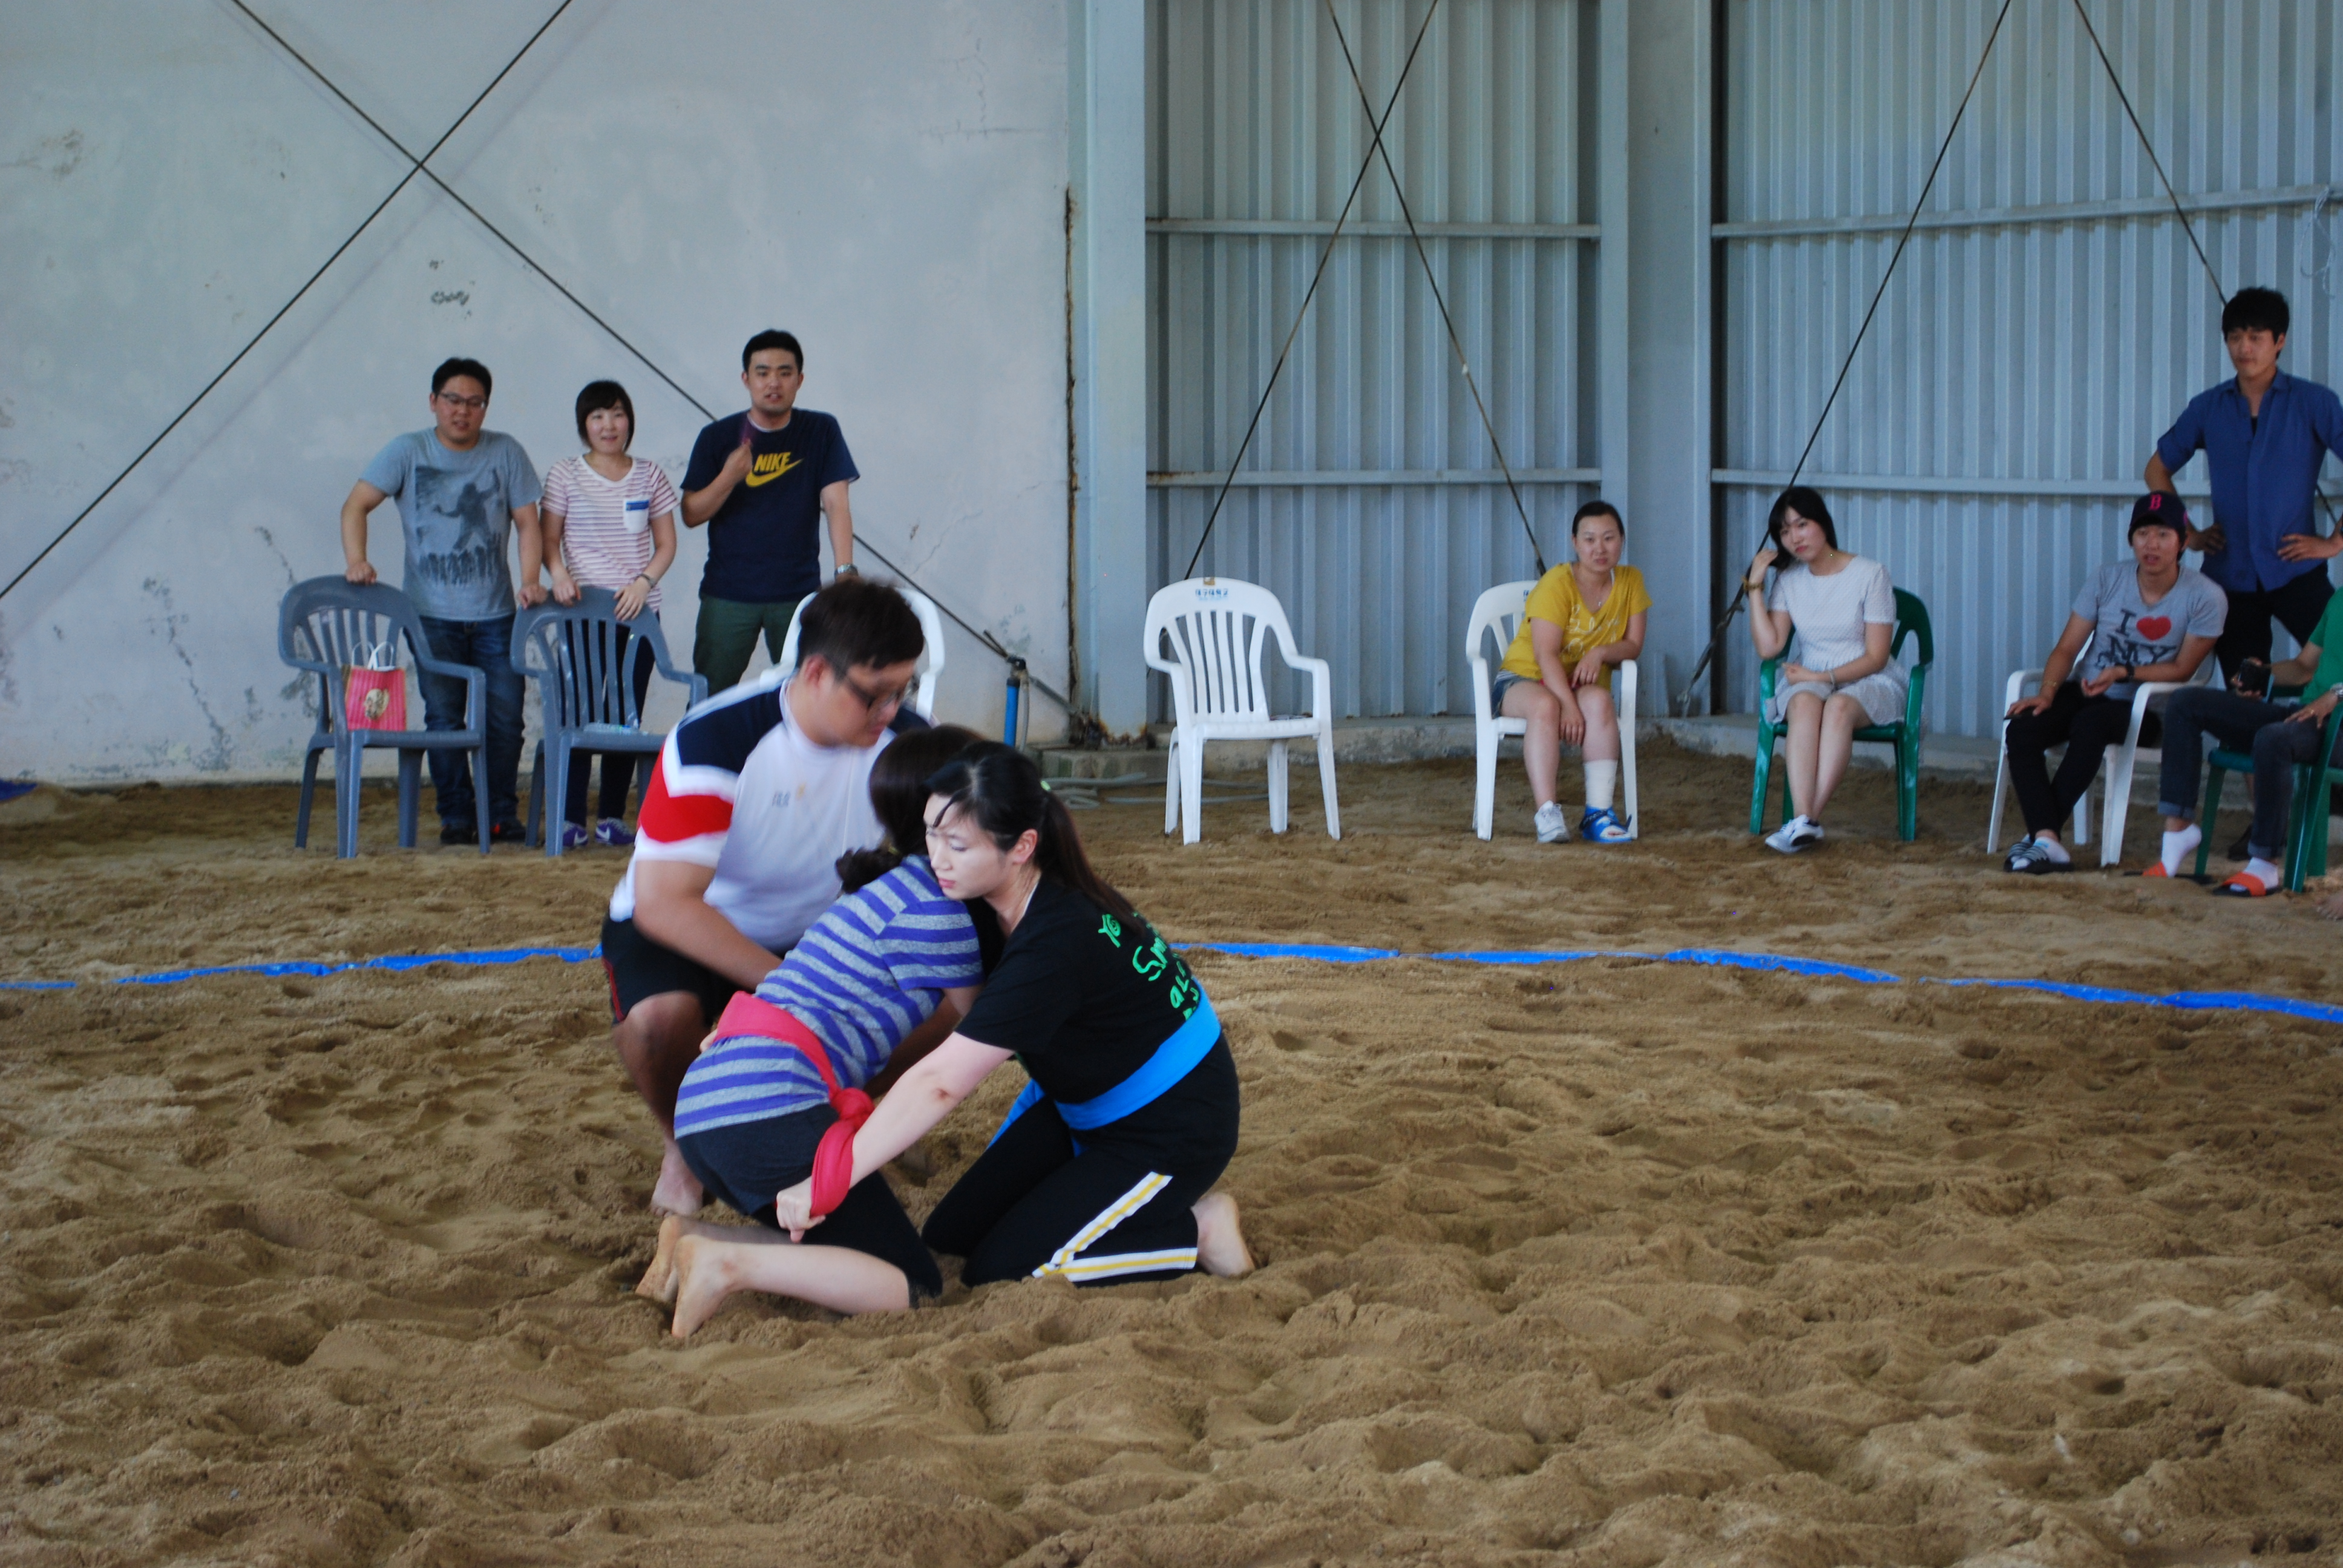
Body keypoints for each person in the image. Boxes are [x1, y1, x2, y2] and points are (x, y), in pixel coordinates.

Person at [669, 745, 1253, 1334]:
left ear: (1021, 847)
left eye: (958, 844)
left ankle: (1196, 1231)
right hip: (1080, 1106)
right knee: (950, 1237)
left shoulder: (1055, 937)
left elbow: (941, 1081)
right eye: (930, 835)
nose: (936, 858)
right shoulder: (996, 905)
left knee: (1007, 1270)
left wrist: (832, 1178)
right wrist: (763, 1020)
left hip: (1169, 1126)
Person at [634, 725, 986, 1324]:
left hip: (707, 1104)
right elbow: (983, 1025)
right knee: (911, 1283)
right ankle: (724, 1264)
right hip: (767, 1113)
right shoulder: (944, 915)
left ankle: (695, 1237)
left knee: (845, 1245)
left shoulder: (878, 889)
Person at [601, 577, 926, 1216]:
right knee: (656, 1023)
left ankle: (845, 1111)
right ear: (815, 672)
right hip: (695, 926)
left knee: (947, 992)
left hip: (816, 931)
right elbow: (663, 904)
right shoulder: (717, 739)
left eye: (903, 691)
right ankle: (684, 1145)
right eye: (874, 694)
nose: (891, 711)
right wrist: (791, 989)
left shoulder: (910, 743)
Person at [342, 357, 545, 846]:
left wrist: (530, 580)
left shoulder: (506, 452)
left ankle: (499, 813)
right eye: (453, 400)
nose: (463, 411)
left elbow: (528, 523)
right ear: (434, 402)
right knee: (444, 718)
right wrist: (357, 560)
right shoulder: (407, 451)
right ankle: (456, 815)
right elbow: (355, 506)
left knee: (505, 719)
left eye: (475, 402)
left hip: (498, 614)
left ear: (485, 408)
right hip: (431, 616)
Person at [1999, 493, 2225, 873]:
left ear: (2184, 542)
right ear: (2131, 539)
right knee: (2022, 728)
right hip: (2085, 690)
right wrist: (2047, 692)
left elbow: (2184, 669)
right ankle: (2047, 838)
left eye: (2164, 535)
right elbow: (2067, 648)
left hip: (2143, 708)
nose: (2152, 545)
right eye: (2143, 534)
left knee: (2091, 725)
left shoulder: (2205, 596)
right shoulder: (2108, 578)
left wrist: (2124, 672)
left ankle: (2040, 839)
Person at [2147, 287, 2343, 687]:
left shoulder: (2314, 402)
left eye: (2256, 337)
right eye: (2235, 337)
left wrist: (2335, 542)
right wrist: (2189, 534)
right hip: (2230, 576)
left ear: (2280, 341)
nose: (2244, 348)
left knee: (2336, 667)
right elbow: (2156, 470)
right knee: (2244, 686)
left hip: (2296, 569)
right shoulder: (2208, 407)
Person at [540, 379, 681, 849]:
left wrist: (643, 584)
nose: (608, 425)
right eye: (598, 416)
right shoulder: (565, 474)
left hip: (638, 615)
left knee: (626, 715)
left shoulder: (649, 475)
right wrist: (559, 573)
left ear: (629, 421)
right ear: (584, 424)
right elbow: (548, 538)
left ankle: (612, 818)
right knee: (579, 712)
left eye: (617, 414)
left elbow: (666, 544)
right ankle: (570, 817)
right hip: (581, 613)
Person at [680, 330, 860, 693]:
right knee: (711, 698)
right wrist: (728, 477)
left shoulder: (821, 430)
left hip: (798, 592)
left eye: (784, 372)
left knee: (806, 695)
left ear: (800, 380)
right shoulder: (717, 436)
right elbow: (691, 514)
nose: (773, 383)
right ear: (746, 379)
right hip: (728, 593)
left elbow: (836, 503)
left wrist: (845, 573)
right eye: (762, 373)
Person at [2149, 586, 2343, 896]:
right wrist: (2260, 675)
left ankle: (2264, 865)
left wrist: (2337, 694)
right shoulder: (2339, 598)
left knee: (2274, 738)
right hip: (2304, 716)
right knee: (2185, 703)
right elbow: (2303, 667)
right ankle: (2178, 833)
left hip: (2337, 729)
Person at [1743, 486, 1906, 854]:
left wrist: (1820, 678)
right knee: (1803, 703)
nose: (1794, 538)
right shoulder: (1789, 580)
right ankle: (1805, 821)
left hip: (1870, 679)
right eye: (1785, 531)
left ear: (1823, 523)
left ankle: (1806, 819)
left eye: (1802, 525)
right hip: (1810, 676)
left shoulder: (1871, 574)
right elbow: (1769, 647)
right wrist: (1755, 586)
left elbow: (1877, 657)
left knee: (1838, 707)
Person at [1492, 501, 1650, 843]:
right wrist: (1567, 705)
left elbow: (1633, 645)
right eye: (1590, 539)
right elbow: (1545, 654)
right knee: (1545, 706)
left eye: (1609, 538)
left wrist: (1601, 652)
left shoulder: (1631, 582)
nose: (1599, 548)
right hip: (1524, 677)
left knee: (1601, 702)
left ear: (1622, 540)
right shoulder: (1557, 583)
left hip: (1576, 682)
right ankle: (1547, 812)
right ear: (1575, 543)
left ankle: (1598, 813)